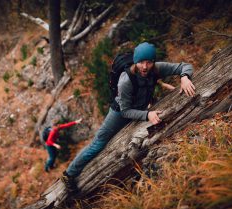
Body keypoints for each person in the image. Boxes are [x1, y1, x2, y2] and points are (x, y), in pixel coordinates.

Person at [61, 42, 196, 192]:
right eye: (141, 62)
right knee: (98, 144)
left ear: (153, 61)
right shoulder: (126, 80)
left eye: (149, 62)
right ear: (135, 61)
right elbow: (125, 111)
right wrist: (147, 114)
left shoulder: (157, 68)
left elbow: (185, 66)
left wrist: (184, 77)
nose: (145, 66)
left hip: (141, 108)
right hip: (119, 113)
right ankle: (69, 174)